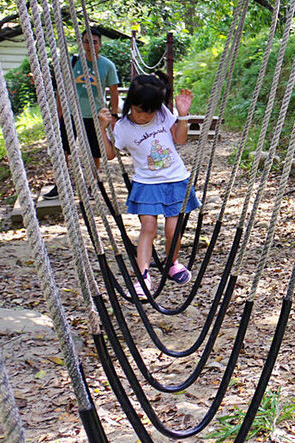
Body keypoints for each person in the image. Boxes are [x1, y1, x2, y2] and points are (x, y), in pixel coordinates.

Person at [97, 73, 198, 296]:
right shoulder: (123, 127)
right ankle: (142, 277)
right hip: (146, 183)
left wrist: (183, 115)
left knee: (173, 229)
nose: (144, 116)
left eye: (150, 111)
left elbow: (180, 139)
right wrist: (102, 129)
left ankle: (172, 264)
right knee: (148, 228)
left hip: (175, 180)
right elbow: (110, 154)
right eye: (140, 110)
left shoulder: (162, 114)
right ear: (130, 104)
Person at [49, 26, 119, 196]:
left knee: (95, 151)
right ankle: (62, 183)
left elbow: (114, 93)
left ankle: (91, 183)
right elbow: (62, 89)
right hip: (72, 113)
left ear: (100, 44)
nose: (89, 45)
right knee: (63, 149)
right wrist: (59, 111)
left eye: (94, 42)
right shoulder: (72, 63)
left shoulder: (107, 66)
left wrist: (114, 116)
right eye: (86, 41)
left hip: (95, 115)